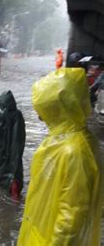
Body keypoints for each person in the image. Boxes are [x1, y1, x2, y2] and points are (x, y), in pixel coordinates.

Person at [18, 67, 102, 245]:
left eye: (45, 109)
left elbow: (71, 217)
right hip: (39, 233)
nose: (39, 116)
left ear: (58, 108)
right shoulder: (62, 141)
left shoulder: (75, 151)